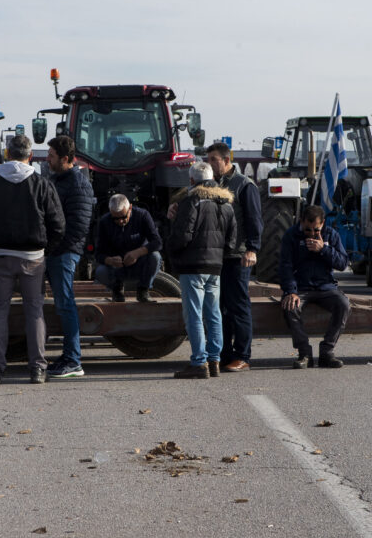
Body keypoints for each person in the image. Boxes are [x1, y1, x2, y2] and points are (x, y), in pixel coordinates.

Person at [0, 134, 65, 385]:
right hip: (33, 257)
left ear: (7, 154)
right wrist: (45, 249)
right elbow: (58, 224)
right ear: (30, 155)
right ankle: (37, 369)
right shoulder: (41, 184)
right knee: (35, 311)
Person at [166, 162, 235, 379]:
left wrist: (171, 242)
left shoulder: (192, 201)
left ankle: (199, 362)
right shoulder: (226, 204)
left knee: (194, 315)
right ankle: (214, 360)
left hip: (192, 266)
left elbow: (182, 236)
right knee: (214, 314)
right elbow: (232, 241)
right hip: (215, 266)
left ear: (192, 181)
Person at [205, 142, 262, 372]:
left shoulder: (243, 185)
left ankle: (242, 355)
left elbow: (254, 219)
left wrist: (252, 248)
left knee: (238, 305)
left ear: (227, 161)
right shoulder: (211, 184)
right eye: (208, 160)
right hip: (216, 255)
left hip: (238, 255)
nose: (210, 164)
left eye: (213, 160)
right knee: (219, 307)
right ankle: (224, 353)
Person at [44, 135, 95, 379]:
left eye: (52, 156)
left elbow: (77, 227)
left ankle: (74, 360)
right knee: (62, 305)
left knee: (66, 305)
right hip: (56, 251)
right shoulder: (59, 179)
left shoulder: (78, 184)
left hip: (64, 253)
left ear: (65, 159)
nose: (47, 159)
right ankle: (68, 356)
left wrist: (54, 248)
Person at [279, 204, 351, 369]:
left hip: (325, 287)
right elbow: (285, 266)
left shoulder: (331, 235)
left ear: (323, 223)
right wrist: (290, 291)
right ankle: (304, 353)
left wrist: (324, 249)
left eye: (316, 230)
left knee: (344, 304)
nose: (312, 234)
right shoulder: (291, 236)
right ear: (302, 222)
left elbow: (343, 263)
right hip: (301, 288)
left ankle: (327, 351)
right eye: (308, 230)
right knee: (290, 307)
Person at [94, 194, 162, 302]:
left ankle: (143, 290)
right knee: (100, 271)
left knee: (155, 257)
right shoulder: (104, 222)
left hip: (139, 264)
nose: (120, 221)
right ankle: (117, 289)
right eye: (115, 218)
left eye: (123, 217)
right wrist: (110, 260)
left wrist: (138, 253)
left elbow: (157, 242)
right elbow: (98, 254)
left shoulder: (142, 215)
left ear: (130, 208)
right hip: (117, 268)